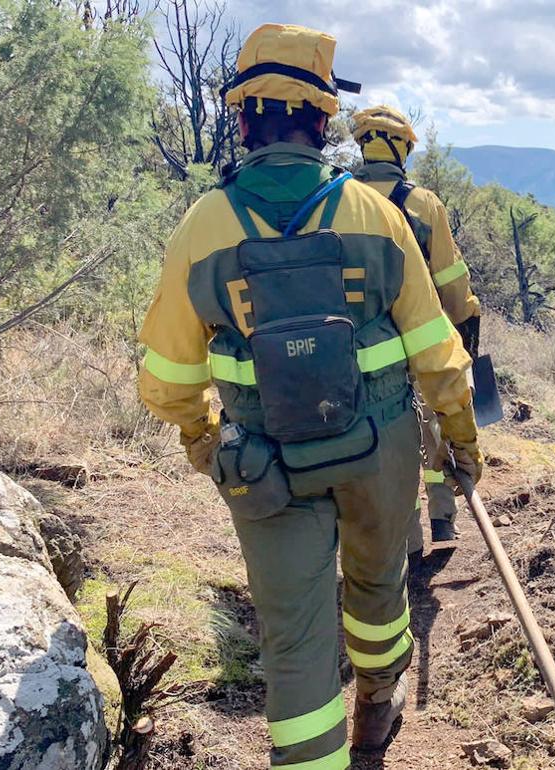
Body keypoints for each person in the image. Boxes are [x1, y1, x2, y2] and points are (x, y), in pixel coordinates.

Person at [136, 24, 482, 767]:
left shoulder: (203, 224)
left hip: (263, 462)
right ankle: (376, 706)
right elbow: (437, 353)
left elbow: (167, 377)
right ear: (324, 122)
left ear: (241, 120)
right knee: (379, 587)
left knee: (293, 634)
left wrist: (206, 440)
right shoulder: (376, 214)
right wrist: (459, 437)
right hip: (379, 448)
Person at [351, 105, 480, 558]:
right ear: (402, 147)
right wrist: (462, 330)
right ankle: (443, 516)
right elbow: (450, 280)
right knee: (435, 429)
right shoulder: (423, 204)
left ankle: (404, 539)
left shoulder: (337, 200)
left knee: (387, 437)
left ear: (362, 145)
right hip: (419, 342)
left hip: (358, 350)